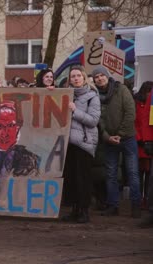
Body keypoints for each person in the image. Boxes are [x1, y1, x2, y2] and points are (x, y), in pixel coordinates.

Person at [92, 65, 141, 218]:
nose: (100, 79)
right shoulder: (95, 96)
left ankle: (136, 206)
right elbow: (98, 120)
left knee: (132, 173)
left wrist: (120, 134)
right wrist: (107, 137)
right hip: (109, 141)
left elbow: (130, 112)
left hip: (127, 138)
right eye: (96, 77)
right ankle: (113, 205)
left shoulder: (122, 90)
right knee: (111, 174)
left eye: (102, 75)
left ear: (107, 76)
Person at [60, 65, 101, 223]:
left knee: (82, 179)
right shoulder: (66, 95)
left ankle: (84, 212)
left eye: (78, 76)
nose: (75, 78)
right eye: (73, 76)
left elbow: (93, 121)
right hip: (67, 143)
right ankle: (74, 211)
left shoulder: (92, 96)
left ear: (84, 78)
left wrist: (75, 111)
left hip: (83, 143)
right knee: (71, 179)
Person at [134, 81, 153, 209]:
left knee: (149, 173)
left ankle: (147, 199)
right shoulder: (137, 104)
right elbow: (135, 122)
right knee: (139, 173)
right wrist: (140, 138)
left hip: (147, 143)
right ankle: (140, 199)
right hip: (139, 143)